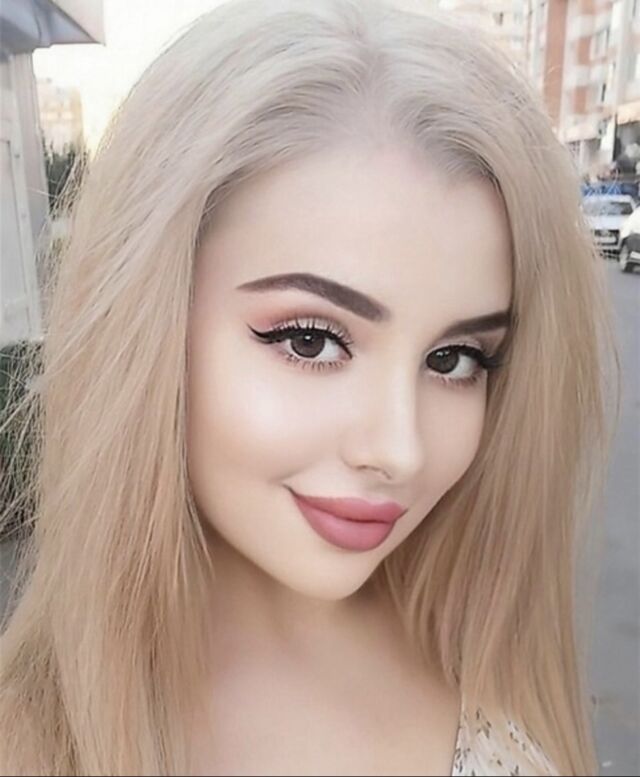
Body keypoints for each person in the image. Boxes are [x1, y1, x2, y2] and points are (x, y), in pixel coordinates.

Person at [0, 0, 617, 774]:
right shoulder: (35, 742)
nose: (399, 449)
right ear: (146, 330)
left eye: (455, 358)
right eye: (310, 339)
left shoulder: (481, 629)